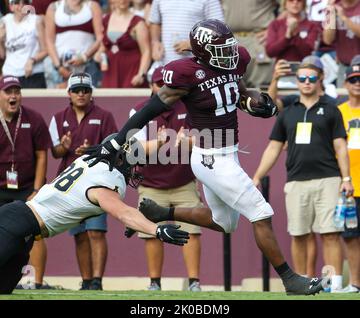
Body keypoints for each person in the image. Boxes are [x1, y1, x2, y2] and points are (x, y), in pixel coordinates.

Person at [84, 18, 326, 295]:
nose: (230, 54)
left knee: (225, 223)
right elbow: (150, 108)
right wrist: (119, 138)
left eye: (229, 47)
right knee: (261, 213)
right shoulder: (186, 74)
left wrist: (254, 104)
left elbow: (238, 92)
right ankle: (290, 279)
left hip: (227, 153)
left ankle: (164, 212)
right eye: (221, 49)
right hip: (210, 156)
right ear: (202, 52)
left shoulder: (235, 61)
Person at [0, 135, 189, 294]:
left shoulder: (88, 161)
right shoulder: (105, 181)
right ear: (119, 159)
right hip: (17, 223)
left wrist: (160, 142)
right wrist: (157, 230)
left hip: (24, 229)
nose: (132, 168)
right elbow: (123, 212)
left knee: (4, 289)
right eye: (130, 161)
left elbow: (127, 148)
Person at [252, 59, 353, 292]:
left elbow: (340, 147)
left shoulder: (331, 109)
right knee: (298, 233)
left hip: (329, 179)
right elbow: (273, 148)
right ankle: (302, 282)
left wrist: (346, 180)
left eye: (311, 78)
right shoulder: (288, 112)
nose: (306, 82)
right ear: (296, 81)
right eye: (302, 78)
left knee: (330, 233)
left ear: (320, 81)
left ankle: (333, 284)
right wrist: (257, 176)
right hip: (296, 181)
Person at [129, 67, 202, 292]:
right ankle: (154, 282)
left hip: (183, 179)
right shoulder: (140, 110)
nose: (164, 89)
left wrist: (187, 141)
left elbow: (201, 141)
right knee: (152, 232)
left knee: (192, 230)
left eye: (168, 85)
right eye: (159, 84)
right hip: (152, 182)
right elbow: (134, 150)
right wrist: (160, 144)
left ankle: (194, 282)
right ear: (151, 86)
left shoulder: (189, 106)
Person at [49, 72, 118, 290]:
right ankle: (86, 280)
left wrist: (91, 151)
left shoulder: (104, 116)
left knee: (96, 232)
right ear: (68, 93)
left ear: (91, 93)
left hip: (97, 181)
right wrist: (65, 146)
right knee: (79, 234)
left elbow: (114, 149)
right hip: (70, 184)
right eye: (77, 90)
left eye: (85, 90)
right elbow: (56, 153)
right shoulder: (59, 117)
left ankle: (97, 281)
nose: (81, 94)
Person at [0, 75, 53, 289]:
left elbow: (42, 154)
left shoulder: (34, 118)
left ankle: (37, 282)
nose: (13, 96)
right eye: (8, 91)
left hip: (26, 188)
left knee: (34, 232)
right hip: (0, 188)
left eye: (17, 91)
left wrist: (37, 189)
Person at [337, 63, 360, 293]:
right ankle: (355, 283)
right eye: (353, 80)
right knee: (351, 237)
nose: (357, 84)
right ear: (345, 83)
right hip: (348, 185)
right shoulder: (339, 111)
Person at [44, 0, 103, 88]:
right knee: (56, 100)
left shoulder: (93, 6)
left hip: (87, 66)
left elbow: (100, 37)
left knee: (88, 99)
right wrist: (59, 67)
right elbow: (49, 40)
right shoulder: (53, 7)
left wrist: (84, 57)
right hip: (59, 69)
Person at [149, 0, 224, 66]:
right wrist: (155, 42)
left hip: (198, 66)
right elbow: (155, 22)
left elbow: (218, 28)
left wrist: (193, 43)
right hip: (167, 64)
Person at [222, 0, 277, 88]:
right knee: (229, 89)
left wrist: (275, 27)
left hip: (260, 40)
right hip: (228, 40)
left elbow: (289, 6)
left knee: (261, 91)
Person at [98, 0, 151, 88]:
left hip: (131, 71)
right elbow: (104, 46)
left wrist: (141, 74)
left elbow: (146, 51)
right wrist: (99, 55)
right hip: (110, 72)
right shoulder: (106, 19)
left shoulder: (138, 22)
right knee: (109, 99)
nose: (122, 0)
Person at [0, 0, 47, 88]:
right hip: (10, 73)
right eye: (17, 2)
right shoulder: (5, 21)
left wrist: (32, 60)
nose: (21, 5)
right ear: (11, 6)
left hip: (33, 74)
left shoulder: (36, 20)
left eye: (25, 2)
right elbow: (2, 55)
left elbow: (46, 50)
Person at [323, 0, 360, 87]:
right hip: (344, 66)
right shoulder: (333, 6)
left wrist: (344, 17)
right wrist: (330, 14)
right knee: (342, 98)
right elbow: (328, 40)